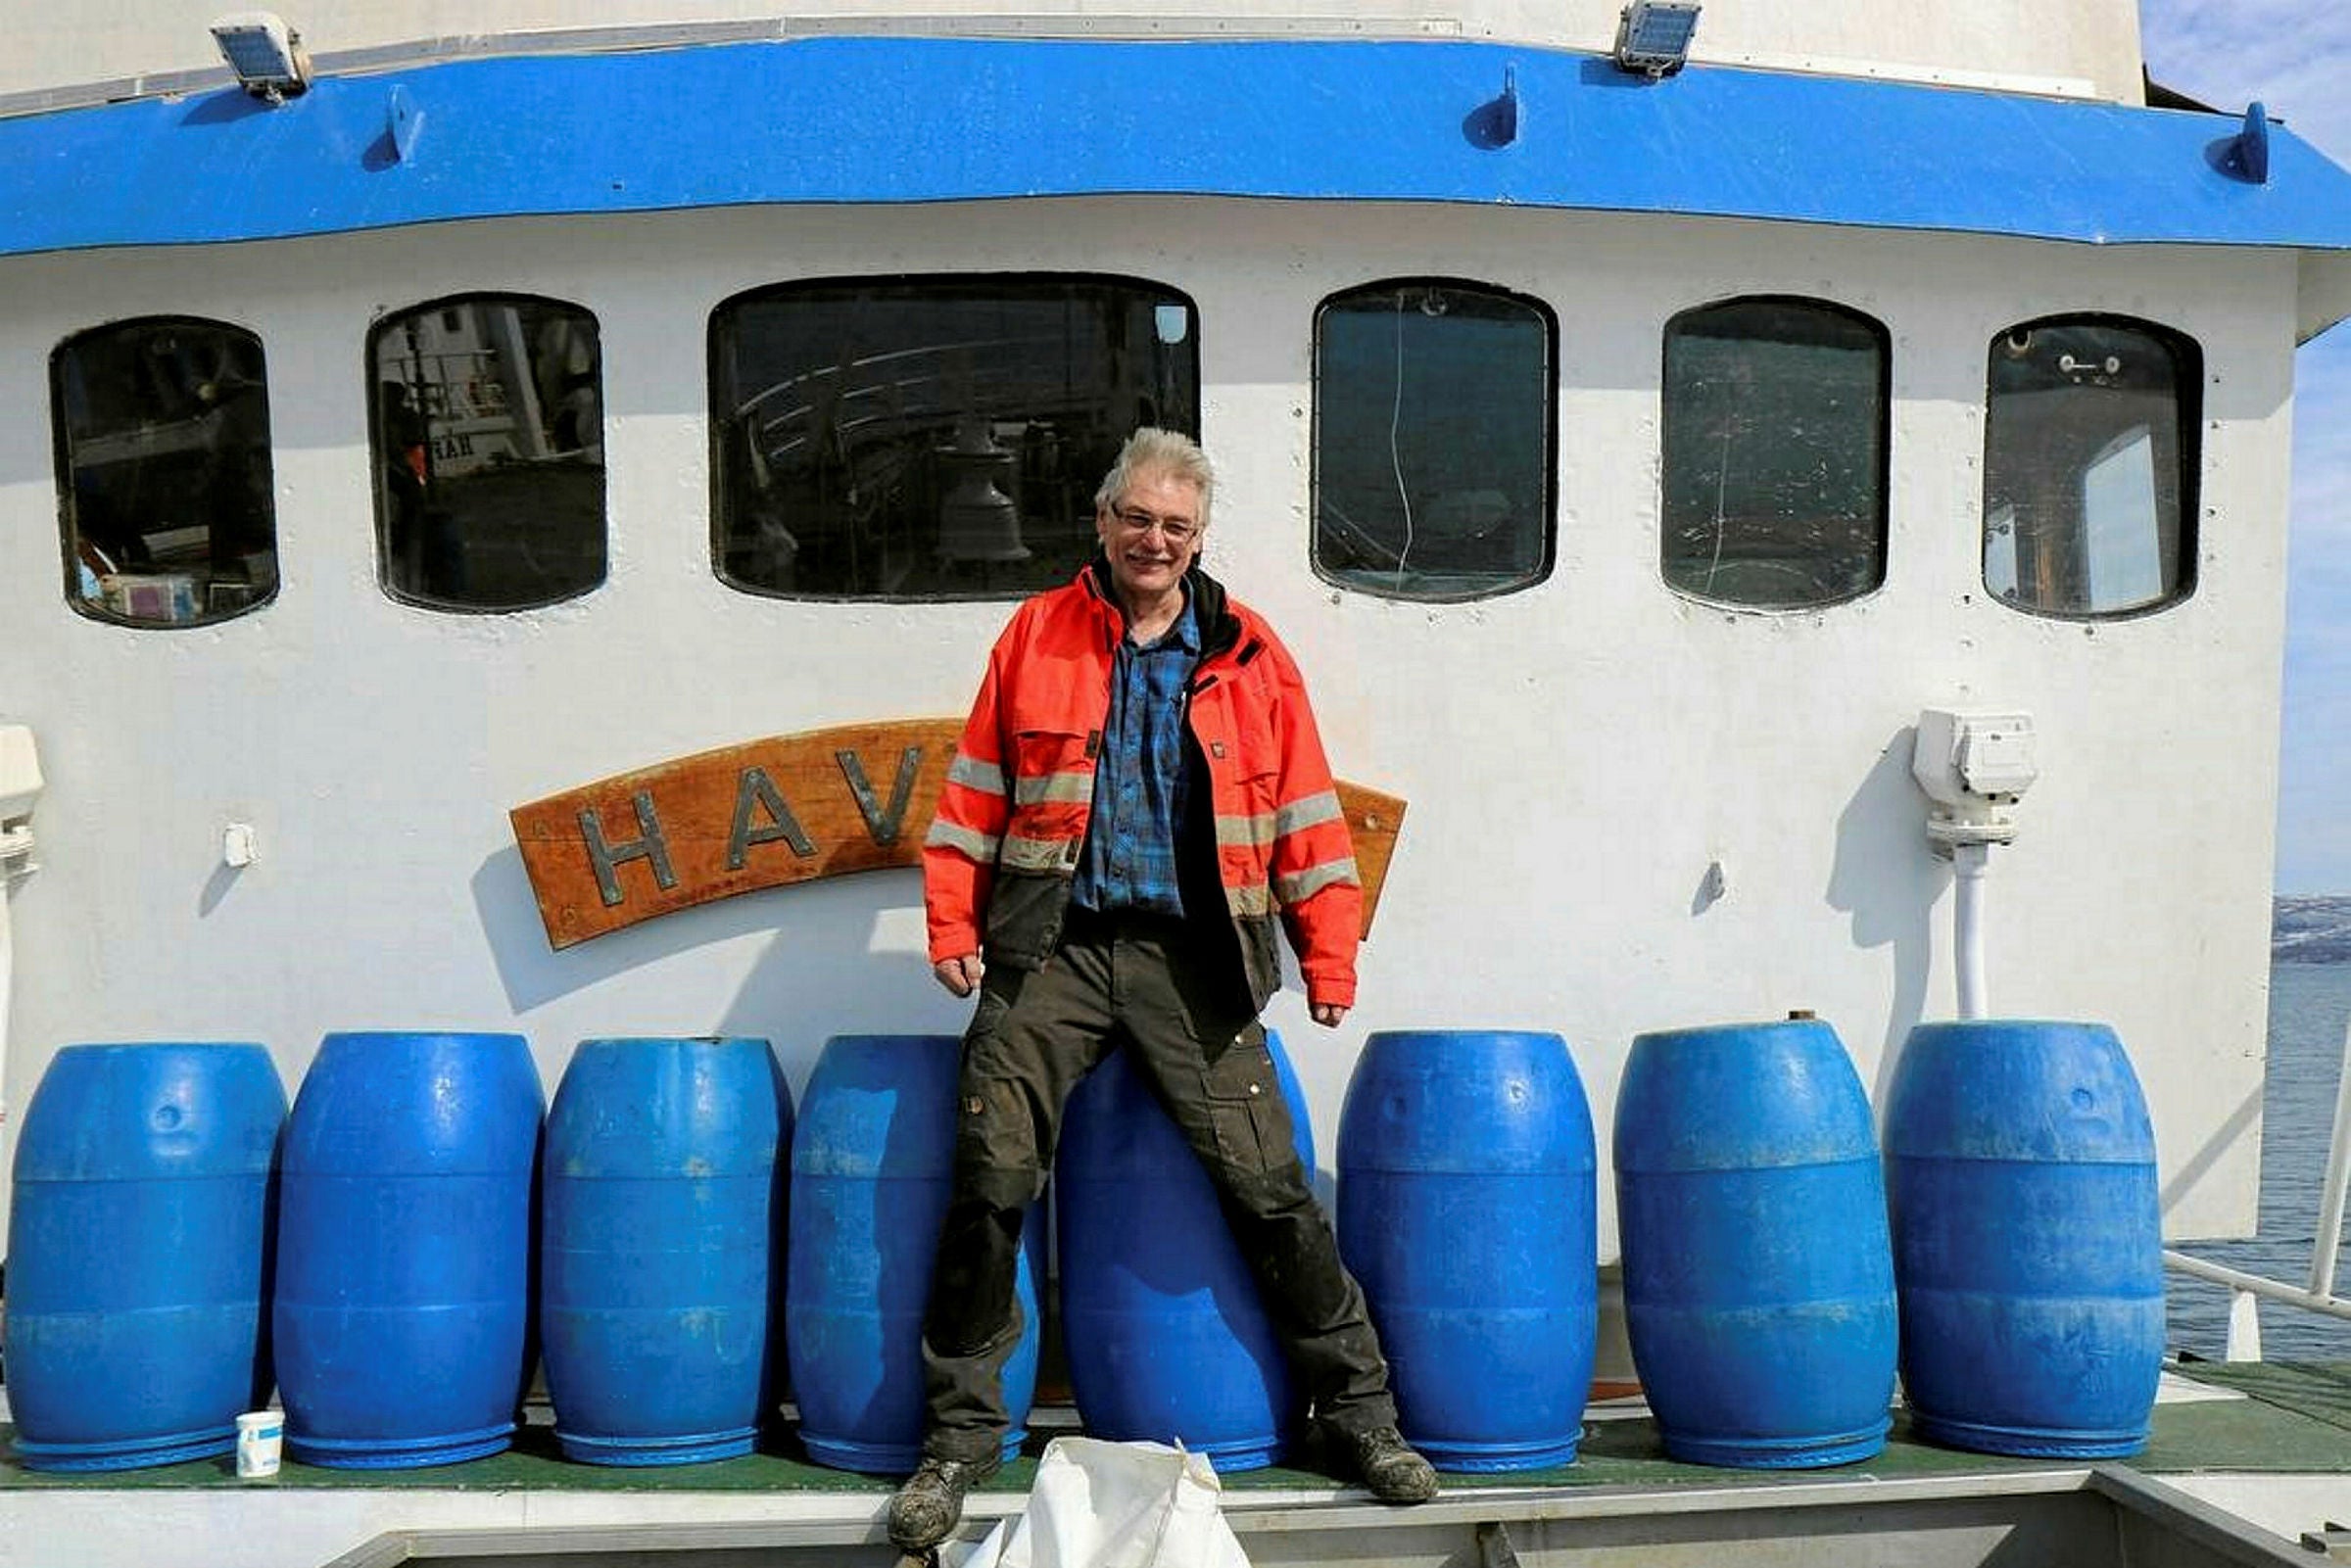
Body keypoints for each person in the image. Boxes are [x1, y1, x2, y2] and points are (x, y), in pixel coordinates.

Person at [889, 427, 1436, 1552]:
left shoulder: (1249, 650)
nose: (1154, 539)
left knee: (1271, 1188)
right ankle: (956, 1442)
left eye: (1175, 525)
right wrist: (952, 922)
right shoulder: (1036, 633)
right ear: (1103, 522)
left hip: (1197, 958)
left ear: (1198, 538)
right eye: (1137, 517)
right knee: (990, 1182)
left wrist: (1328, 954)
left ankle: (1360, 1417)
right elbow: (976, 791)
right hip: (1053, 949)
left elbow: (1303, 809)